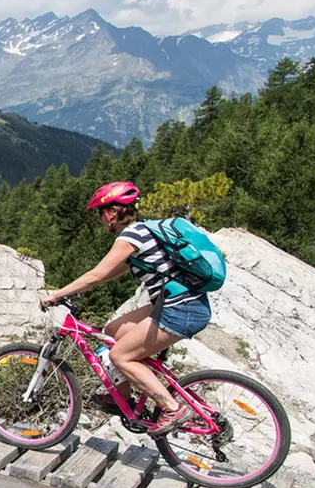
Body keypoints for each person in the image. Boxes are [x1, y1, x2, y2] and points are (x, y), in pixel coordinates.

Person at [38, 181, 212, 435]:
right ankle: (124, 399)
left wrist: (57, 295)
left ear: (110, 213)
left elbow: (97, 274)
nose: (101, 221)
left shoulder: (130, 236)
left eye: (100, 214)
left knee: (119, 355)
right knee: (112, 332)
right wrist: (83, 288)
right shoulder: (143, 231)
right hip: (179, 304)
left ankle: (172, 408)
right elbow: (112, 273)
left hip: (180, 310)